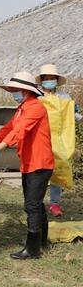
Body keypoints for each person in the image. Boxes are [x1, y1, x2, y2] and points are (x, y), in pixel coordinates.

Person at [0, 71, 54, 259]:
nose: (13, 92)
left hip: (39, 163)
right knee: (34, 204)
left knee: (32, 205)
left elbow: (20, 132)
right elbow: (9, 128)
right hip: (30, 162)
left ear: (25, 91)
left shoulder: (36, 108)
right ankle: (41, 241)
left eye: (15, 90)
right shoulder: (23, 108)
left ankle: (33, 250)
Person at [36, 64, 81, 217]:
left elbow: (72, 117)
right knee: (40, 172)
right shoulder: (37, 97)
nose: (49, 81)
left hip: (59, 140)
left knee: (58, 169)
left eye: (52, 78)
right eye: (46, 78)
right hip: (41, 140)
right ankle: (37, 202)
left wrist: (76, 114)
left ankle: (55, 204)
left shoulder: (65, 98)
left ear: (56, 80)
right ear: (42, 81)